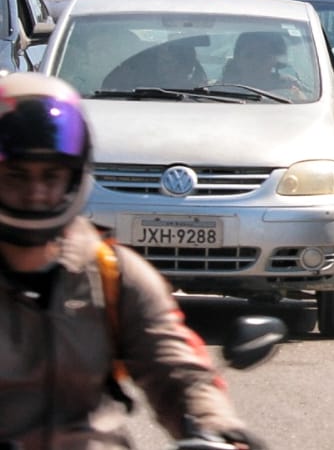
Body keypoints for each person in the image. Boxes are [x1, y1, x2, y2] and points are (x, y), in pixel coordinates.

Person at [0, 75, 264, 449]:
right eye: (16, 175)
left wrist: (213, 423)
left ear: (74, 176)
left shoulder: (113, 273)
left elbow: (175, 367)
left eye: (52, 175)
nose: (36, 191)